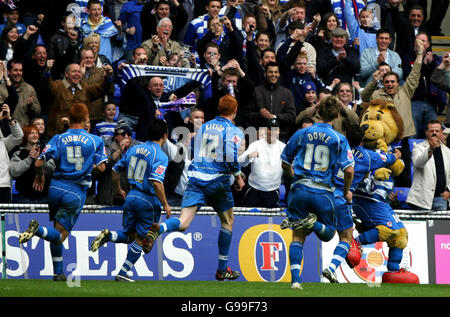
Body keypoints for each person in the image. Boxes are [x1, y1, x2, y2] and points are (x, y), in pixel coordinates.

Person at [144, 94, 245, 281]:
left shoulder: (204, 127)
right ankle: (222, 269)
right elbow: (230, 155)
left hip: (196, 179)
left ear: (218, 109)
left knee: (183, 223)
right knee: (228, 221)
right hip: (217, 181)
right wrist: (238, 176)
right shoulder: (233, 130)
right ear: (235, 110)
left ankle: (161, 227)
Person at [18, 103, 107, 281]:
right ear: (85, 118)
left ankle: (58, 272)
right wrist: (89, 167)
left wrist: (40, 175)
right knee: (60, 235)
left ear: (70, 118)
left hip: (55, 188)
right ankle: (38, 231)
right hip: (75, 191)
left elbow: (38, 163)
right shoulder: (95, 141)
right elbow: (102, 168)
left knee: (57, 230)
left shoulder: (58, 138)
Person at [280, 95, 355, 289]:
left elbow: (285, 161)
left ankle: (296, 281)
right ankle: (313, 224)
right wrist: (346, 191)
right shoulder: (339, 139)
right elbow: (349, 169)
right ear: (337, 114)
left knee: (298, 235)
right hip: (323, 191)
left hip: (300, 188)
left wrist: (293, 176)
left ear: (317, 111)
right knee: (329, 234)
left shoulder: (303, 133)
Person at [90, 119, 171, 282]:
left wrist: (118, 189)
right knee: (143, 239)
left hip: (131, 196)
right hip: (147, 199)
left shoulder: (134, 149)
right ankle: (123, 272)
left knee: (129, 236)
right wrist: (166, 205)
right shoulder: (160, 155)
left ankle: (109, 236)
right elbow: (156, 182)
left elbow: (115, 169)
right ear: (165, 135)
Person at [321, 123, 401, 282]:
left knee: (327, 230)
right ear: (363, 139)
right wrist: (397, 154)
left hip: (323, 195)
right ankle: (331, 268)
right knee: (347, 237)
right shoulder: (368, 157)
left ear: (344, 135)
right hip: (342, 198)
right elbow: (389, 159)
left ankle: (311, 223)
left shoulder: (336, 149)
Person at [361, 38, 425, 187]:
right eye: (387, 82)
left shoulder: (406, 91)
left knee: (403, 171)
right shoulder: (377, 94)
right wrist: (373, 82)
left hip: (403, 138)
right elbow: (364, 97)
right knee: (382, 170)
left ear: (398, 82)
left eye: (392, 81)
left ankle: (400, 198)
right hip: (384, 139)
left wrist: (420, 55)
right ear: (383, 83)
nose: (389, 84)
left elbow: (415, 73)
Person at [239, 118, 285, 208]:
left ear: (279, 131)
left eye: (275, 129)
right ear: (266, 130)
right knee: (247, 219)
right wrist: (248, 156)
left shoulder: (283, 147)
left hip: (273, 191)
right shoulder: (256, 145)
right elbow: (240, 162)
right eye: (270, 129)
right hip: (254, 190)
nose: (272, 132)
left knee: (271, 221)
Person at [246, 62, 296, 143]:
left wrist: (275, 117)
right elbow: (247, 115)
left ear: (279, 74)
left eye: (276, 72)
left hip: (280, 136)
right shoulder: (256, 91)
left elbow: (292, 116)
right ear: (265, 74)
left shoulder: (287, 93)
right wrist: (260, 115)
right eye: (270, 72)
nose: (273, 74)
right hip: (260, 136)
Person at [406, 120, 450, 211]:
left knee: (440, 225)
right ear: (427, 132)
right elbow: (418, 164)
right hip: (421, 199)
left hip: (441, 199)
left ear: (441, 132)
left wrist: (449, 191)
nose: (434, 133)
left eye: (437, 131)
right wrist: (430, 149)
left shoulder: (447, 152)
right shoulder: (418, 148)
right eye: (431, 131)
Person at [9, 124, 52, 203]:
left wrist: (41, 160)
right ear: (25, 135)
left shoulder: (45, 152)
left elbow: (52, 169)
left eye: (36, 133)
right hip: (24, 197)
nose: (35, 135)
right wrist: (29, 159)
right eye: (31, 133)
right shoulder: (19, 153)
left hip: (45, 196)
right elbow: (14, 172)